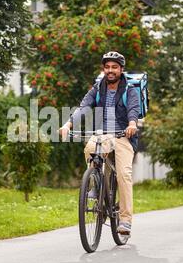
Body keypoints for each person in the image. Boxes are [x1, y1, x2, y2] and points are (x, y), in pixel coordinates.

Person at [59, 51, 139, 235]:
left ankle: (125, 220)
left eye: (114, 67)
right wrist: (68, 124)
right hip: (103, 134)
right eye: (107, 67)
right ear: (103, 69)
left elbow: (133, 109)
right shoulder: (97, 88)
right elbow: (84, 106)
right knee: (89, 148)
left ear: (121, 70)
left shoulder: (130, 90)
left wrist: (132, 124)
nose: (110, 70)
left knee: (124, 175)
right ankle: (96, 185)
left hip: (123, 135)